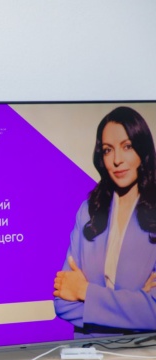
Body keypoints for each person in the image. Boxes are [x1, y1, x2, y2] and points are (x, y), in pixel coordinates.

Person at [53, 106, 156, 338]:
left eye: (127, 146)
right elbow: (62, 302)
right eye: (108, 150)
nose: (117, 160)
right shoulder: (89, 212)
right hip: (91, 353)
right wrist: (137, 306)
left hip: (143, 355)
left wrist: (85, 292)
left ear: (142, 150)